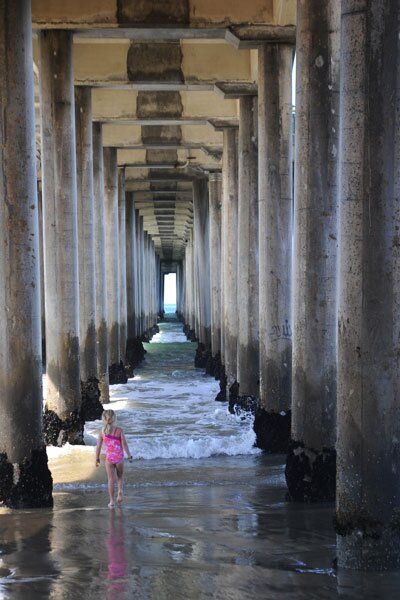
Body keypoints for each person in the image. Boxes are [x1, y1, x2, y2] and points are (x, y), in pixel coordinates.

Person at [96, 409, 133, 508]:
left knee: (111, 479)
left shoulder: (102, 432)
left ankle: (111, 501)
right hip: (119, 457)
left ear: (103, 419)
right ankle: (120, 491)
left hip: (109, 459)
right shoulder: (119, 430)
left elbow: (98, 447)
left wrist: (97, 458)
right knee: (120, 476)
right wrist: (129, 455)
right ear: (114, 418)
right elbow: (124, 444)